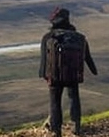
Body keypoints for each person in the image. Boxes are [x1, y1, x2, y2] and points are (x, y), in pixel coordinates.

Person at [39, 7, 97, 137]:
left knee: (55, 102)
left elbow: (44, 60)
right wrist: (94, 70)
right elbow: (87, 57)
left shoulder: (48, 37)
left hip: (54, 76)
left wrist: (44, 75)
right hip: (73, 75)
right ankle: (75, 127)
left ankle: (56, 130)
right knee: (74, 98)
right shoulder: (79, 38)